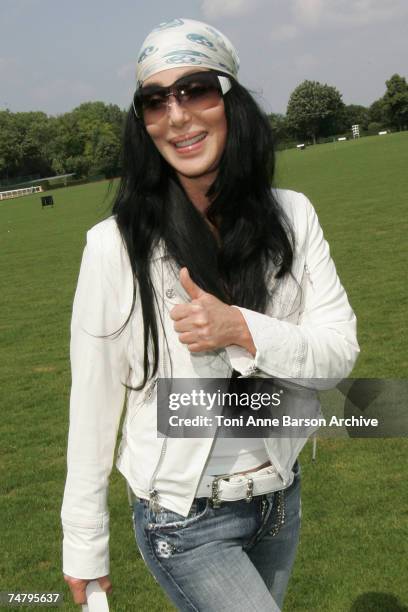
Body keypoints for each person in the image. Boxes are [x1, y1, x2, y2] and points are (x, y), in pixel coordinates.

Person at [61, 18, 359, 611]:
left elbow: (338, 354)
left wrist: (241, 329)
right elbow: (92, 405)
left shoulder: (293, 216)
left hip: (279, 498)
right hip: (185, 520)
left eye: (196, 89)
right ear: (143, 124)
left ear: (232, 102)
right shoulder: (114, 246)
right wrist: (85, 547)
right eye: (155, 100)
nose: (177, 116)